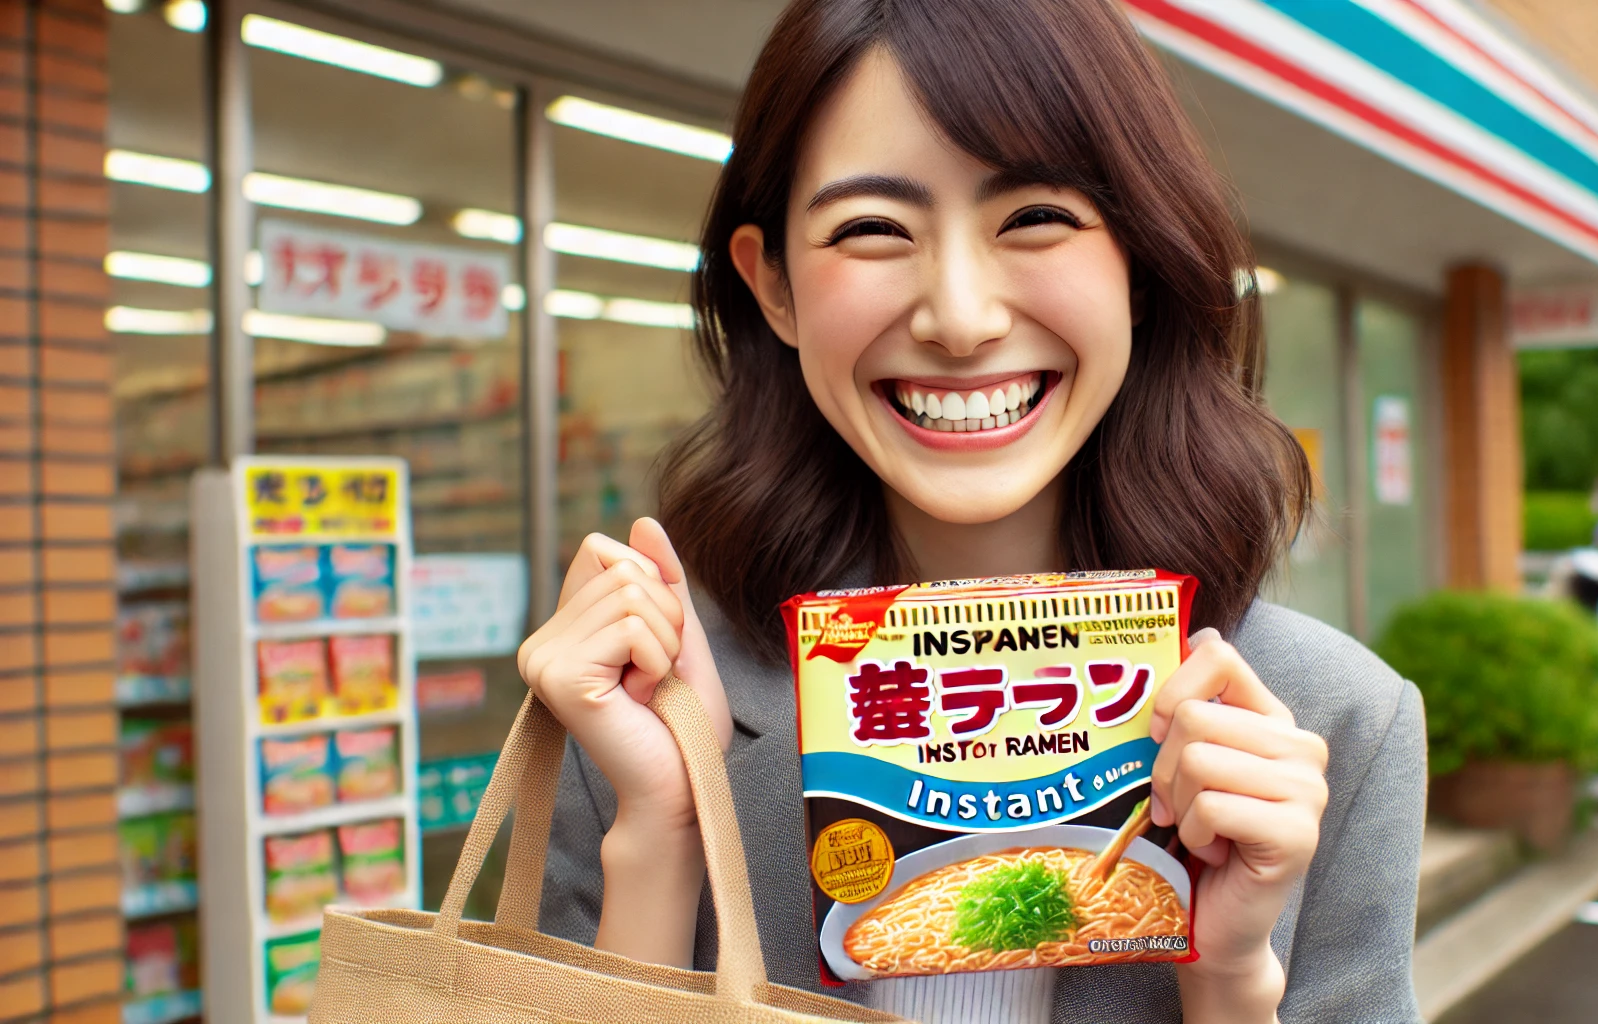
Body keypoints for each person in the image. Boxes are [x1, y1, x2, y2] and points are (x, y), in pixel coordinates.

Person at [518, 0, 1426, 1021]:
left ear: (1138, 256)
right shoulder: (651, 717)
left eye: (1035, 217)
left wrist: (1226, 978)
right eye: (871, 229)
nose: (959, 316)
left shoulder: (1338, 720)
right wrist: (666, 830)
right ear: (772, 284)